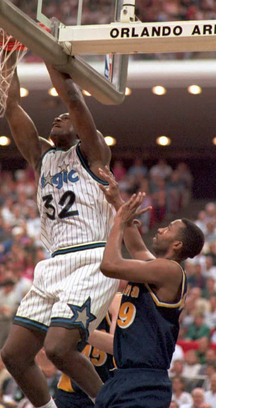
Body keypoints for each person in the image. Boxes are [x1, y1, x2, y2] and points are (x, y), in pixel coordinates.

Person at [0, 34, 118, 408]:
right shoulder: (41, 159)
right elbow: (12, 105)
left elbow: (74, 99)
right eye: (56, 117)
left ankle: (114, 404)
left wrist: (49, 49)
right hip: (52, 264)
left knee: (58, 348)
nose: (58, 117)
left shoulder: (94, 152)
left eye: (65, 119)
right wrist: (8, 58)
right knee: (14, 356)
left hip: (91, 260)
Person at [93, 167, 206, 408]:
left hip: (144, 382)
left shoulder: (170, 270)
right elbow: (135, 245)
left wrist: (119, 222)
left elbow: (110, 265)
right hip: (123, 376)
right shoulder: (158, 269)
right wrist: (117, 202)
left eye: (168, 228)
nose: (160, 228)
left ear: (177, 244)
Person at [55, 292, 122, 408]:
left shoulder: (115, 300)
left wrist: (81, 330)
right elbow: (45, 364)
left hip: (108, 390)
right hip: (70, 393)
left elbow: (118, 347)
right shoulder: (68, 300)